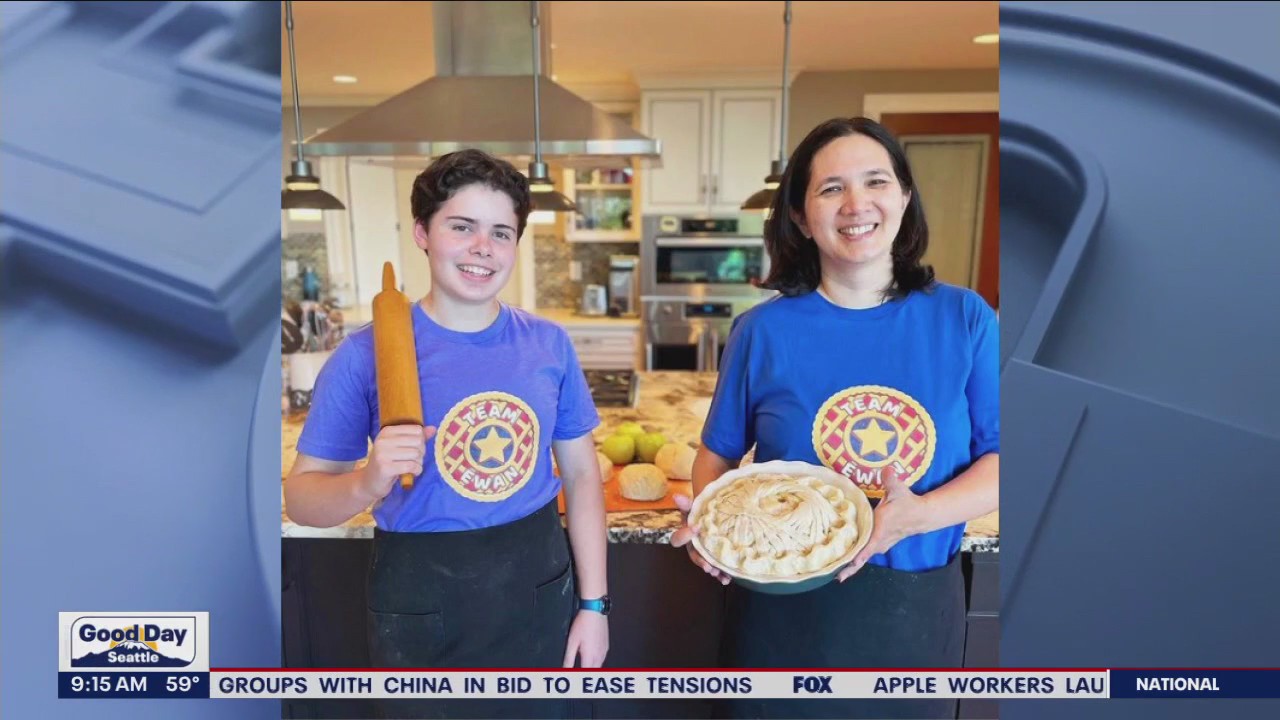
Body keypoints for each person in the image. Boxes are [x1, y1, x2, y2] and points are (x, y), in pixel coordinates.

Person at [672, 117, 999, 720]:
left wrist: (921, 513)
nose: (856, 205)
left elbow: (1004, 460)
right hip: (781, 614)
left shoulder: (965, 318)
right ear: (799, 215)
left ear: (903, 196)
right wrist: (716, 534)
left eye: (876, 181)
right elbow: (716, 458)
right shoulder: (762, 331)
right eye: (830, 188)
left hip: (912, 609)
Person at [285, 149, 610, 719]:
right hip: (418, 603)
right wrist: (368, 481)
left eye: (501, 233)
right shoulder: (366, 355)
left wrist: (595, 605)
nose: (483, 247)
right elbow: (302, 500)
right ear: (423, 233)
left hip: (536, 590)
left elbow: (583, 477)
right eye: (462, 227)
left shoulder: (547, 344)